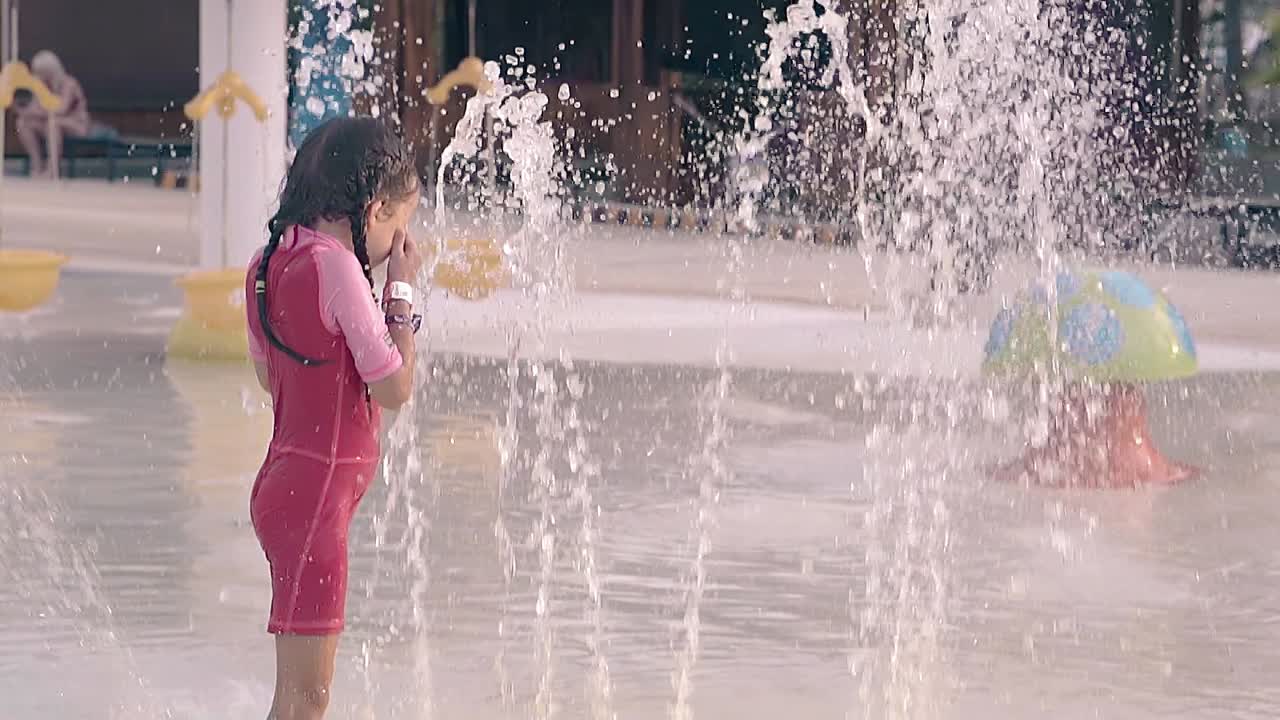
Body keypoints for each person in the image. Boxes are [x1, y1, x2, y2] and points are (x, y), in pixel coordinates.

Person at [244, 116, 424, 720]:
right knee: (307, 699)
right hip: (316, 504)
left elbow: (271, 377)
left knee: (294, 695)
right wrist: (400, 292)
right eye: (399, 226)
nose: (399, 242)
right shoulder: (339, 267)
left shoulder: (264, 266)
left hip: (284, 490)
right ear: (374, 211)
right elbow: (396, 385)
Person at [15, 50, 90, 179]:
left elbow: (61, 109)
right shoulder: (41, 86)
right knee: (23, 123)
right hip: (49, 123)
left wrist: (38, 111)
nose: (38, 76)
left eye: (41, 73)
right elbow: (35, 108)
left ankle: (52, 170)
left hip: (75, 124)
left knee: (53, 123)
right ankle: (37, 165)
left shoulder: (69, 84)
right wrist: (22, 111)